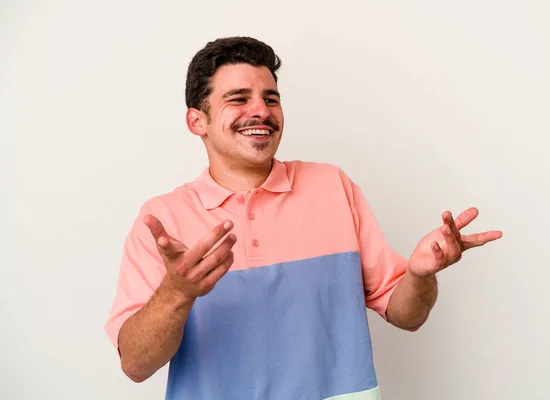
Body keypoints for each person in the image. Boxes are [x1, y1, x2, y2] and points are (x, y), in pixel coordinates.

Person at [105, 36, 502, 400]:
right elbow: (136, 365)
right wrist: (178, 291)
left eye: (271, 98)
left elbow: (407, 316)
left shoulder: (332, 186)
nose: (261, 111)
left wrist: (419, 274)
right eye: (239, 98)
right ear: (198, 121)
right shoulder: (161, 219)